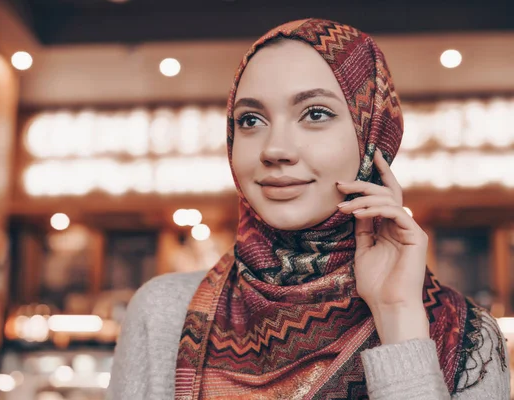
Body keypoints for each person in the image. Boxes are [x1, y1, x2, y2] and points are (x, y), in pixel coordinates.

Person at [107, 19, 510, 399]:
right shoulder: (163, 313)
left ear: (372, 135)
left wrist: (398, 316)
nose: (275, 149)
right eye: (250, 119)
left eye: (315, 114)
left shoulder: (468, 336)